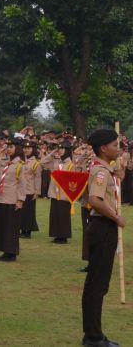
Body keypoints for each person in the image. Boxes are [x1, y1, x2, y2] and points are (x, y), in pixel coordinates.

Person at [81, 129, 125, 347]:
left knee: (98, 283)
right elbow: (95, 200)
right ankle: (93, 337)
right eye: (115, 145)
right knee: (97, 285)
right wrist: (116, 217)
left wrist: (119, 169)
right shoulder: (101, 172)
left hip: (103, 226)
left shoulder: (106, 169)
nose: (118, 149)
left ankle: (93, 333)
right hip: (102, 226)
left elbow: (117, 181)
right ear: (103, 148)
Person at [0, 137, 25, 262]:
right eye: (7, 147)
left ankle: (11, 253)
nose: (8, 149)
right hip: (2, 198)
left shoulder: (20, 165)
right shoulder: (6, 162)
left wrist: (20, 200)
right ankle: (5, 251)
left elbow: (22, 184)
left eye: (11, 147)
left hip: (12, 199)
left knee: (11, 227)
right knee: (2, 226)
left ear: (18, 148)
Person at [48, 140, 76, 244]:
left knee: (63, 215)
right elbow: (43, 162)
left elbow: (73, 181)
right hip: (54, 193)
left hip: (64, 194)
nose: (59, 150)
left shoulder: (71, 165)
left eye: (62, 148)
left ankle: (63, 236)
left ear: (67, 150)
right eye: (59, 148)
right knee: (55, 215)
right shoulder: (56, 162)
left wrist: (70, 194)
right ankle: (57, 235)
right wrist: (53, 152)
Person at [19, 138, 40, 239]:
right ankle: (22, 230)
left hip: (30, 190)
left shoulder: (36, 163)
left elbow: (38, 178)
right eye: (25, 148)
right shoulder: (21, 161)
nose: (26, 150)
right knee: (21, 211)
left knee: (29, 212)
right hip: (21, 190)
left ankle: (28, 232)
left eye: (28, 148)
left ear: (33, 149)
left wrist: (37, 192)